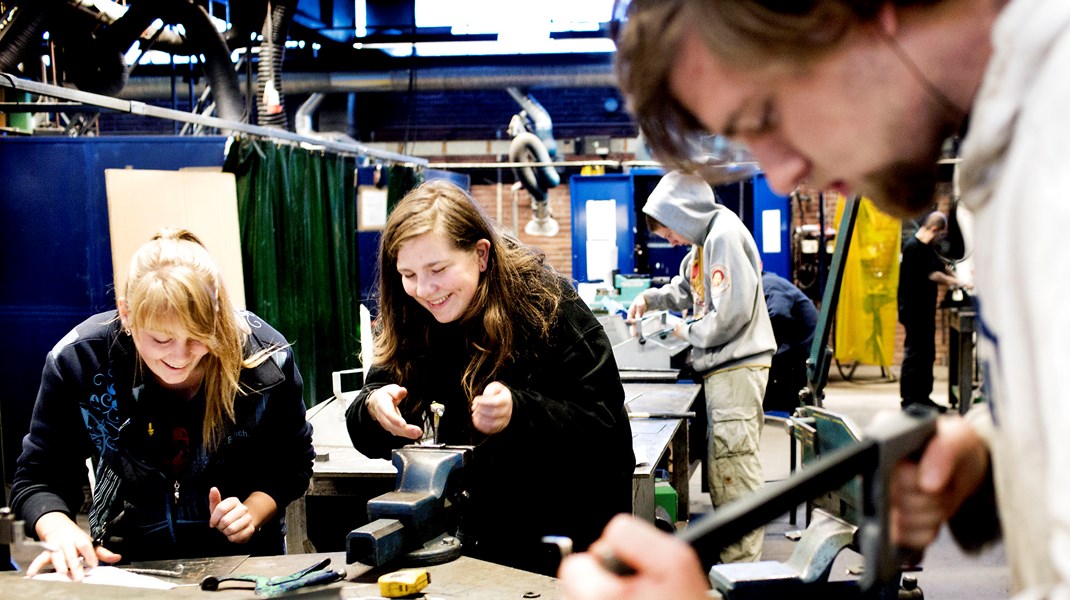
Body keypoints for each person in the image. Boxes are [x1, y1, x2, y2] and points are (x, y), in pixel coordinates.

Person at [561, 1, 1065, 598]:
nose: (779, 175)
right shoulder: (1004, 153)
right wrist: (992, 451)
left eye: (767, 113)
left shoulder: (1053, 151)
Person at [345, 179, 634, 576]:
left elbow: (606, 434)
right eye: (408, 274)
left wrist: (520, 411)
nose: (425, 289)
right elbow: (368, 417)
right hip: (462, 544)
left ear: (481, 255)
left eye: (438, 269)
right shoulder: (410, 313)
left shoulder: (549, 308)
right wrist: (373, 409)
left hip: (559, 551)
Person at [10, 229, 314, 580]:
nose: (180, 357)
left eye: (199, 337)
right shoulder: (81, 362)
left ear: (217, 316)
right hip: (128, 568)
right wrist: (59, 530)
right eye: (160, 338)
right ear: (126, 314)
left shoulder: (264, 361)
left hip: (243, 570)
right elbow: (38, 478)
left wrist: (252, 511)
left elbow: (293, 461)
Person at [626, 170, 776, 563]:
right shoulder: (703, 245)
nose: (671, 240)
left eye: (670, 231)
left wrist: (680, 329)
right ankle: (734, 562)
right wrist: (651, 299)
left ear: (684, 211)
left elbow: (730, 315)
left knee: (735, 469)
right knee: (725, 466)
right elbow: (686, 291)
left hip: (737, 369)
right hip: (722, 371)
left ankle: (741, 573)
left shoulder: (723, 234)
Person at [897, 211, 969, 414]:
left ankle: (923, 397)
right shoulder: (913, 248)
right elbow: (933, 274)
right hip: (913, 311)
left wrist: (956, 274)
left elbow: (941, 267)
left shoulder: (927, 248)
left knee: (927, 354)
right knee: (914, 354)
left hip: (925, 310)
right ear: (935, 229)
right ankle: (910, 400)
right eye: (941, 234)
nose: (940, 238)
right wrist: (959, 282)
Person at [761, 270, 818, 414]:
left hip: (800, 358)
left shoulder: (768, 284)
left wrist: (766, 350)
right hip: (800, 353)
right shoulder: (770, 281)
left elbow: (779, 315)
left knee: (749, 379)